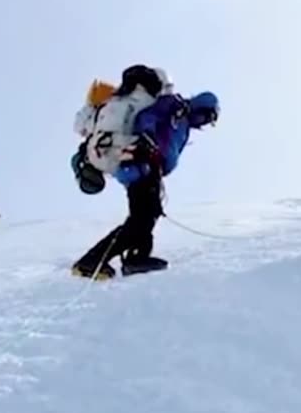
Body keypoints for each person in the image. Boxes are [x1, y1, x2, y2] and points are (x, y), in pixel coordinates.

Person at [70, 64, 220, 279]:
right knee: (142, 216)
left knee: (146, 213)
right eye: (208, 116)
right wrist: (147, 141)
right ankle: (92, 261)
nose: (206, 122)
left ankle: (136, 257)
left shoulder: (176, 117)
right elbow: (150, 118)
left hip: (132, 160)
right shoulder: (173, 105)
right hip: (140, 159)